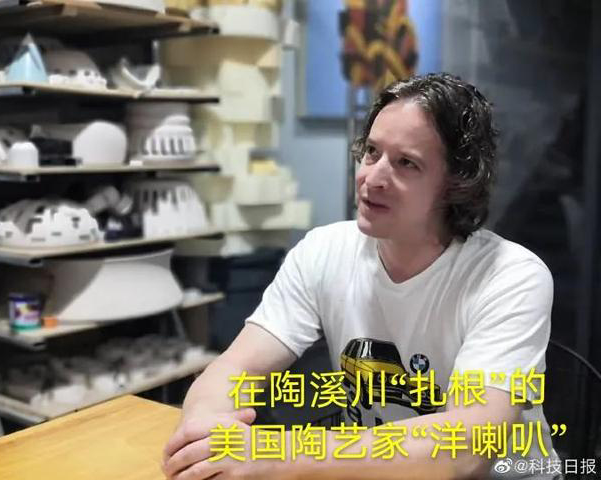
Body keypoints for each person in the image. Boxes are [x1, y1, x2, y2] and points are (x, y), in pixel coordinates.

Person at [161, 73, 559, 479]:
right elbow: (235, 368)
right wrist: (205, 434)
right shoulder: (324, 251)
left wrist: (274, 455)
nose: (373, 177)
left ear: (456, 185)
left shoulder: (510, 276)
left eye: (406, 163)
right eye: (372, 152)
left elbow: (466, 452)